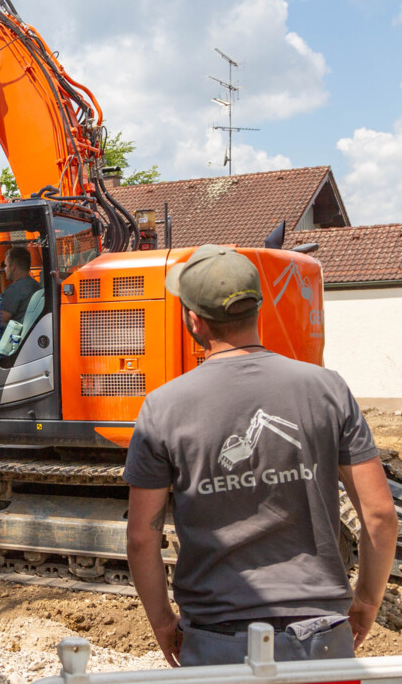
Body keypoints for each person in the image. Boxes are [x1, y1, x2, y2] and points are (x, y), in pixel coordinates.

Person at [124, 244, 398, 667]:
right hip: (321, 642)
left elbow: (142, 536)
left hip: (217, 643)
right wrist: (365, 601)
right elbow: (380, 516)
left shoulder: (163, 407)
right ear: (258, 309)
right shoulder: (328, 389)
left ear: (193, 320)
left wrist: (162, 622)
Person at [0, 247, 39, 351]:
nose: (4, 269)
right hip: (26, 339)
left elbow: (1, 318)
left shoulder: (16, 289)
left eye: (6, 265)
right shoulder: (35, 285)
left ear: (13, 267)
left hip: (9, 343)